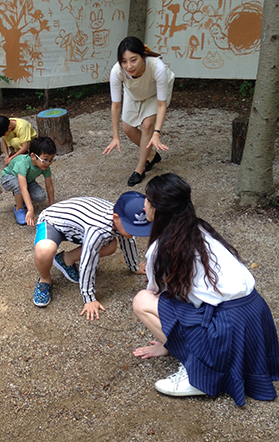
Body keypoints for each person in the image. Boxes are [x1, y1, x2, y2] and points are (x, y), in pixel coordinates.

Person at [132, 173, 279, 406]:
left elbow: (157, 294)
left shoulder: (162, 248)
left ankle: (197, 371)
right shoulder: (200, 229)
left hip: (228, 322)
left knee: (142, 301)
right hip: (256, 312)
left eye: (147, 199)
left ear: (158, 209)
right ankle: (177, 347)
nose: (143, 204)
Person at [33, 192, 152, 319]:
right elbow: (87, 261)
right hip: (53, 222)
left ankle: (65, 260)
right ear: (116, 218)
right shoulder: (98, 230)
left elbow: (127, 239)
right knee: (45, 250)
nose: (136, 232)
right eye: (132, 228)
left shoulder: (121, 216)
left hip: (78, 227)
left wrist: (134, 266)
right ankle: (44, 279)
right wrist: (89, 298)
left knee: (110, 245)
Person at [103, 37, 175, 187]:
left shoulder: (158, 67)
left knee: (147, 124)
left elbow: (161, 105)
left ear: (143, 56)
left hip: (156, 93)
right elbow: (116, 105)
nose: (129, 66)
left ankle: (140, 168)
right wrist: (116, 136)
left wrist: (157, 133)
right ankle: (153, 155)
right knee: (128, 128)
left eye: (133, 60)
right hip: (134, 92)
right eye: (124, 61)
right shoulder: (117, 71)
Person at [1, 136, 56, 226]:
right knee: (18, 185)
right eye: (45, 159)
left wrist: (52, 206)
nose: (48, 163)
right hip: (9, 178)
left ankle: (22, 199)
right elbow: (23, 188)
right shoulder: (24, 163)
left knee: (40, 196)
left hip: (27, 180)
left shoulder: (45, 166)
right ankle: (19, 208)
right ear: (33, 156)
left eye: (51, 159)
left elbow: (49, 186)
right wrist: (31, 210)